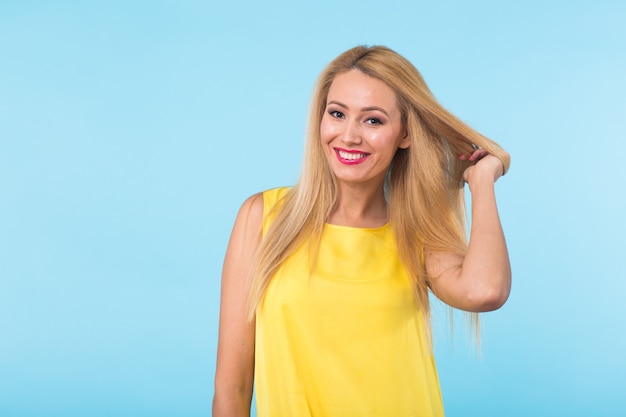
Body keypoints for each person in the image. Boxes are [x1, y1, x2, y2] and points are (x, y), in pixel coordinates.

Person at [212, 45, 511, 417]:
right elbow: (232, 387)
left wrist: (481, 181)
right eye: (337, 114)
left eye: (373, 121)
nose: (349, 136)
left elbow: (485, 291)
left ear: (405, 134)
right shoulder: (262, 218)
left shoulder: (416, 232)